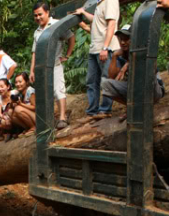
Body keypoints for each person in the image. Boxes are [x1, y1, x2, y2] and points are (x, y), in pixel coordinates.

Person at [30, 1, 76, 129]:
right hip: (41, 68)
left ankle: (62, 117)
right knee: (45, 94)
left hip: (55, 64)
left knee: (58, 90)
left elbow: (71, 37)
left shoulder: (56, 25)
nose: (38, 18)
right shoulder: (37, 31)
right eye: (35, 16)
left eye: (40, 14)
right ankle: (49, 121)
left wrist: (67, 55)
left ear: (47, 12)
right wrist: (32, 71)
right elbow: (34, 52)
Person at [74, 0, 121, 119]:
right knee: (91, 81)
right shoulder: (100, 3)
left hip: (105, 49)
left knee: (106, 80)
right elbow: (97, 20)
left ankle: (105, 110)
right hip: (94, 49)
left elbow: (111, 24)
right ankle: (92, 111)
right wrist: (83, 13)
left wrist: (105, 47)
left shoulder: (110, 1)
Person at [100, 24, 165, 107]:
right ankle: (131, 108)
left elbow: (152, 69)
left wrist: (128, 64)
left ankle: (144, 107)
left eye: (126, 39)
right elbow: (112, 76)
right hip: (133, 91)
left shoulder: (144, 49)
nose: (123, 42)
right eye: (121, 39)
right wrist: (114, 56)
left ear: (134, 39)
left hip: (153, 90)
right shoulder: (120, 54)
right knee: (105, 84)